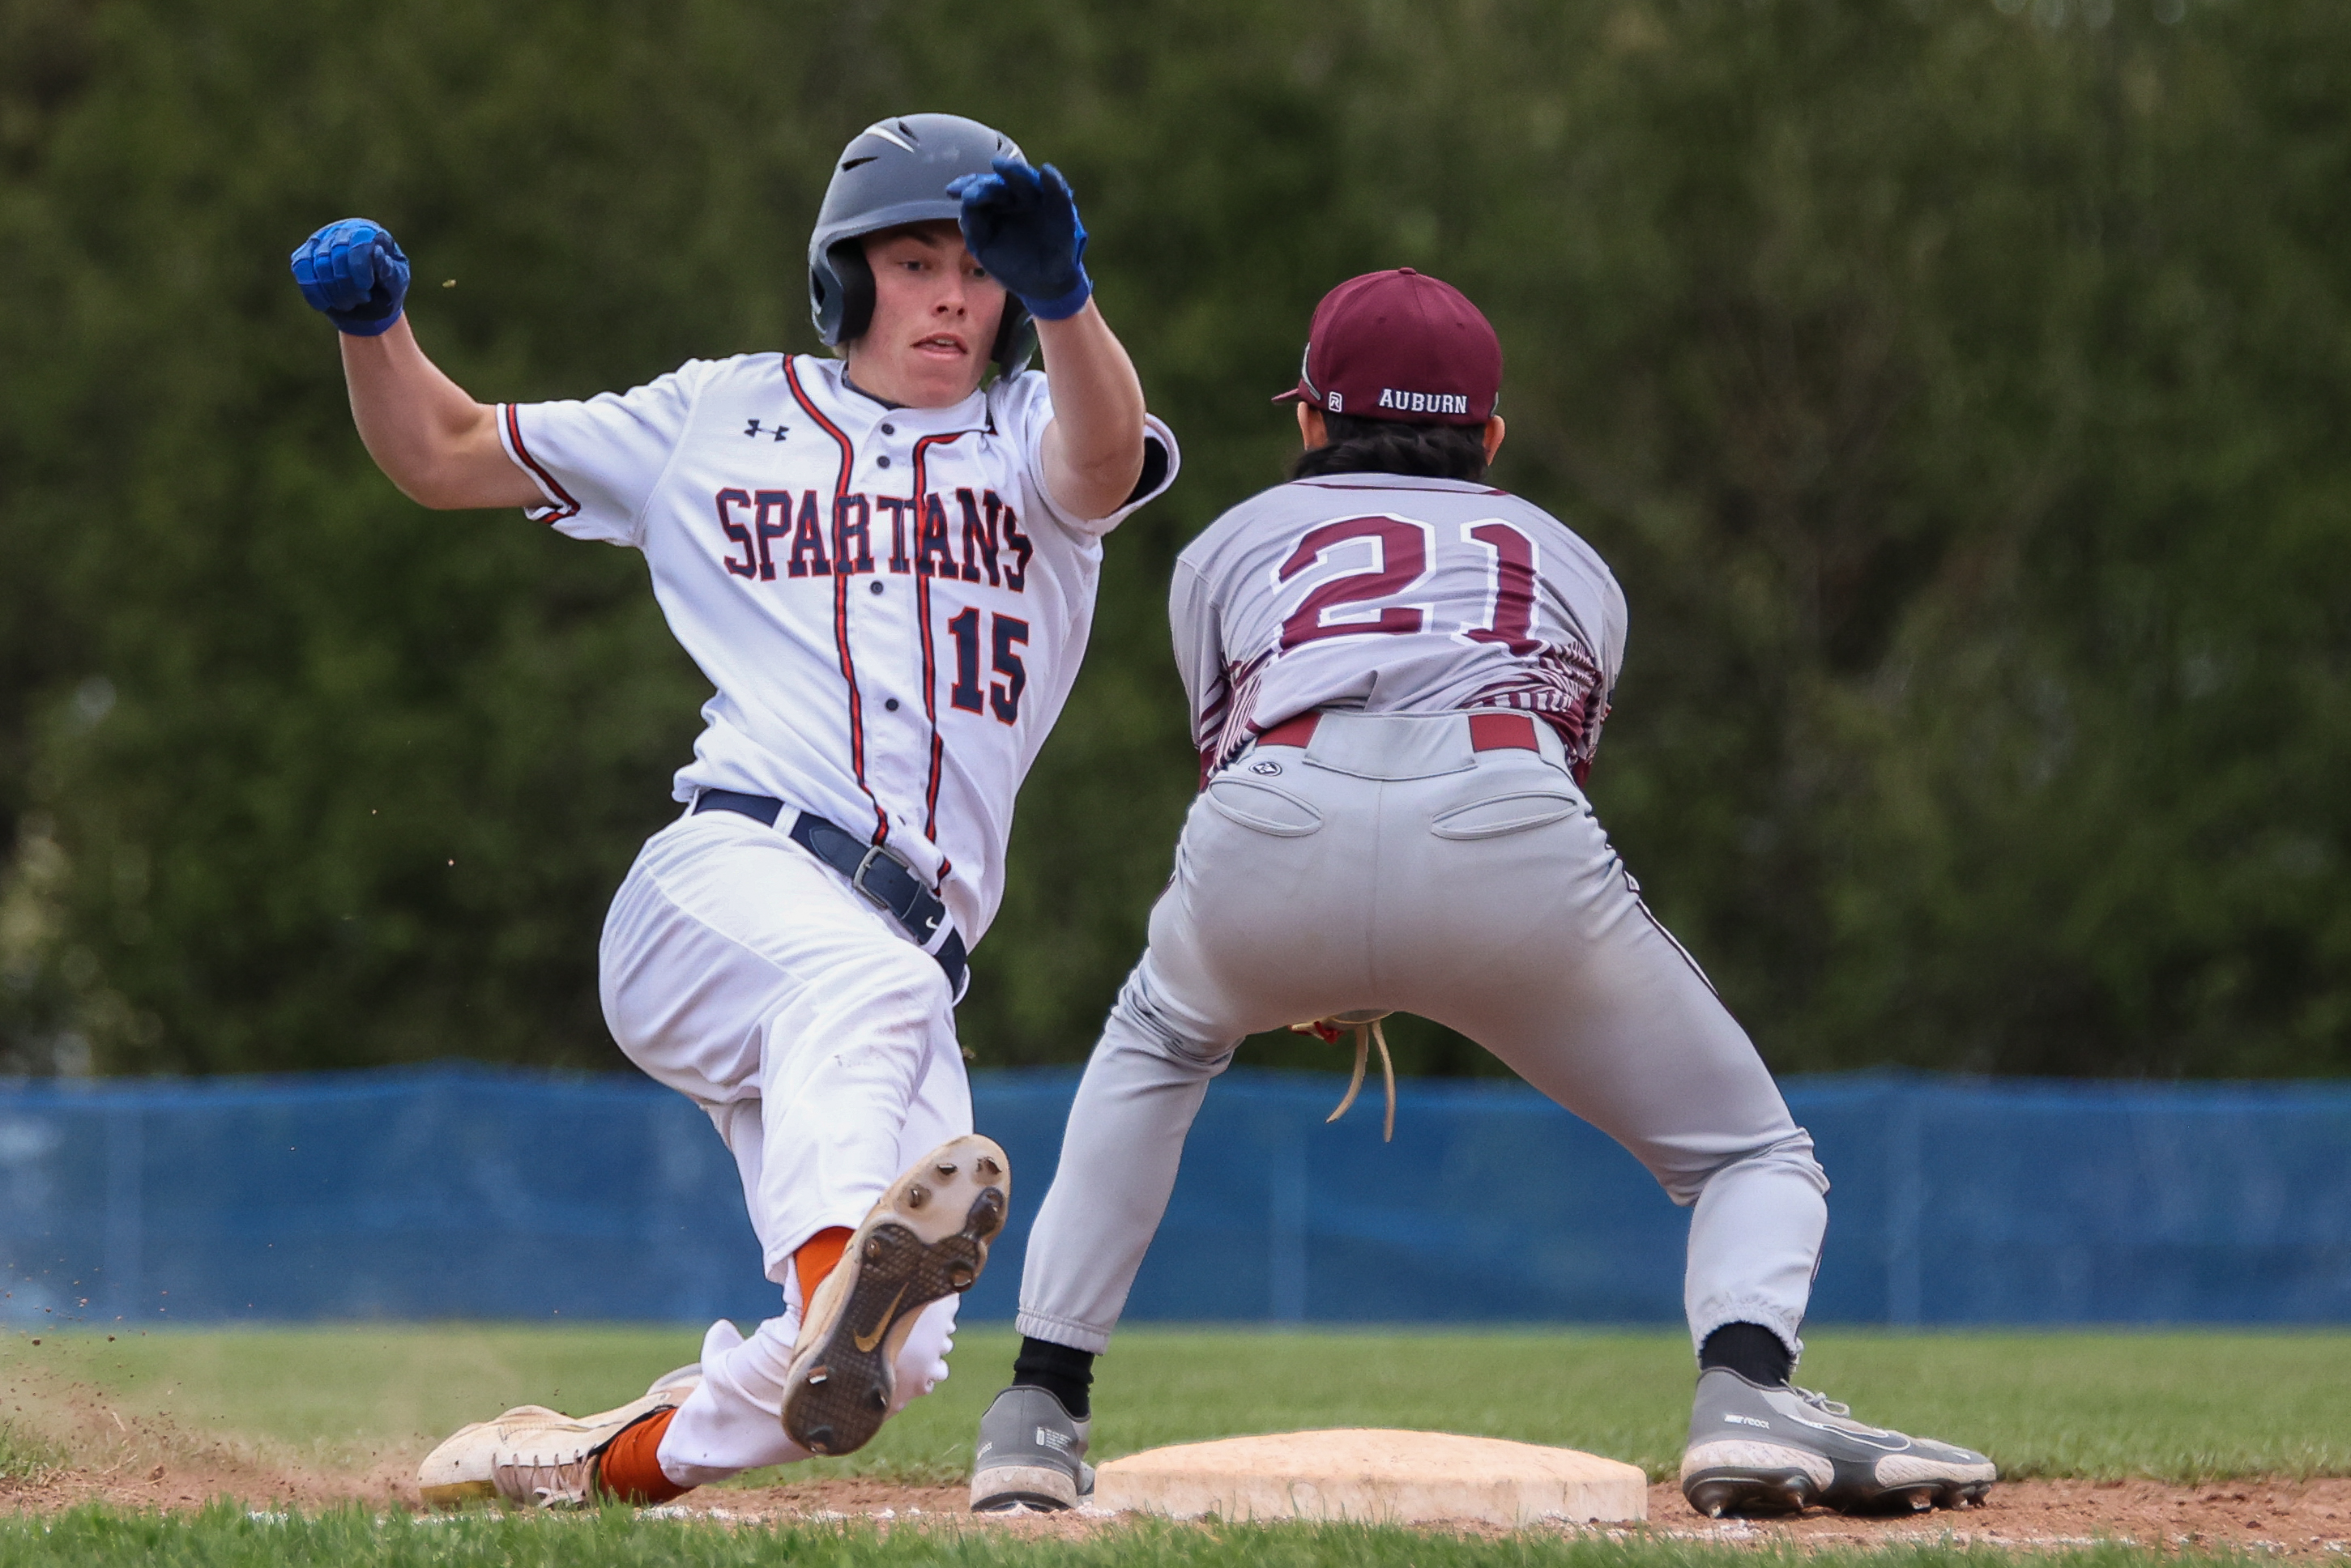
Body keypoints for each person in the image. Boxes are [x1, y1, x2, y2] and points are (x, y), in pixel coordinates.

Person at [965, 268, 1993, 1519]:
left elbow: (1233, 744)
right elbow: (1550, 750)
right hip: (1505, 814)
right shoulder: (1572, 558)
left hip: (1272, 812)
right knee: (1751, 1153)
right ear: (1490, 437)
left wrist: (1319, 951)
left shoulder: (1228, 540)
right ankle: (1743, 1390)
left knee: (1160, 1042)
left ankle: (1038, 1403)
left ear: (1309, 420)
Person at [288, 112, 1178, 1508]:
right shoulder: (719, 411)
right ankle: (839, 1275)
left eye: (982, 266)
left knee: (908, 1358)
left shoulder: (1035, 432)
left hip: (904, 958)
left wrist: (1067, 297)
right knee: (862, 1013)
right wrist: (373, 331)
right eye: (914, 257)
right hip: (729, 882)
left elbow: (1105, 460)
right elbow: (444, 450)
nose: (952, 292)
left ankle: (591, 1465)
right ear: (845, 278)